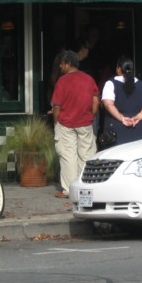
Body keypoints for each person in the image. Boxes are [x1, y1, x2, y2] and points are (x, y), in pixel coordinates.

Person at [50, 50, 99, 198]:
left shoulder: (62, 81)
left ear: (68, 64)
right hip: (85, 123)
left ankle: (68, 190)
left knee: (67, 156)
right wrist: (91, 115)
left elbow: (56, 106)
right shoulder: (89, 79)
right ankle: (85, 186)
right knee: (86, 155)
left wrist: (56, 123)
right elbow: (95, 100)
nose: (60, 66)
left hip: (65, 123)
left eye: (62, 63)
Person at [101, 57, 142, 145]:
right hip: (137, 129)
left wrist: (121, 118)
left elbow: (108, 104)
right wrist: (139, 116)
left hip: (116, 129)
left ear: (118, 69)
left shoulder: (110, 84)